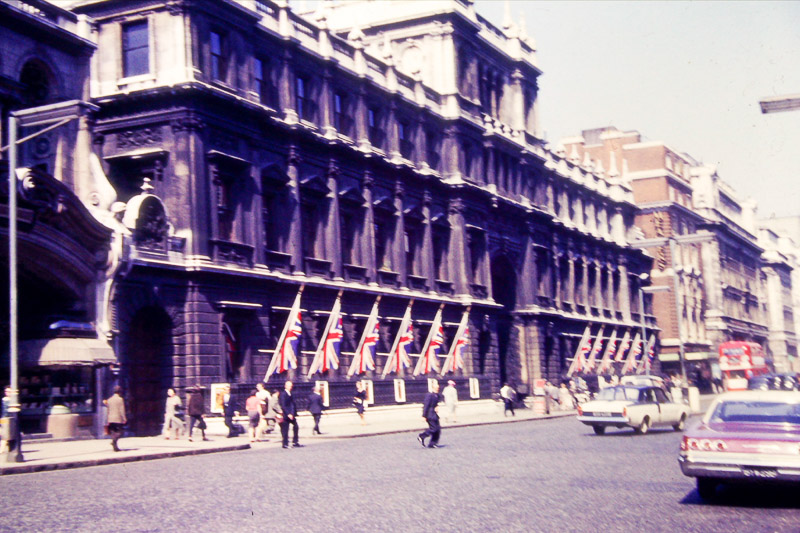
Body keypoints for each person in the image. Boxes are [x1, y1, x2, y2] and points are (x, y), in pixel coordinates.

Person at [418, 380, 441, 448]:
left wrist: (436, 406)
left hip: (434, 414)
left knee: (438, 429)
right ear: (433, 388)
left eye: (438, 388)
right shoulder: (429, 395)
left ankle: (433, 443)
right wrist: (424, 416)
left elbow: (436, 403)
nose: (438, 389)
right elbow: (426, 405)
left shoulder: (437, 395)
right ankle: (422, 436)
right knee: (433, 428)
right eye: (436, 388)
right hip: (429, 414)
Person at [279, 380, 302, 448]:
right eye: (289, 386)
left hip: (291, 414)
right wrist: (288, 413)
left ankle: (295, 441)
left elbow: (292, 404)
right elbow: (283, 405)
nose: (290, 387)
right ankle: (285, 444)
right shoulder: (283, 394)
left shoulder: (290, 393)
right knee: (285, 429)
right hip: (287, 414)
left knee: (296, 426)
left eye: (291, 386)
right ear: (285, 386)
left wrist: (293, 413)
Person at [105, 386, 126, 452]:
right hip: (118, 418)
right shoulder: (120, 399)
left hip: (111, 418)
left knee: (113, 432)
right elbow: (122, 410)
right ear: (119, 392)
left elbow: (108, 410)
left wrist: (107, 419)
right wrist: (124, 418)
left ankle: (115, 447)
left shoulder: (109, 400)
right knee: (120, 432)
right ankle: (114, 441)